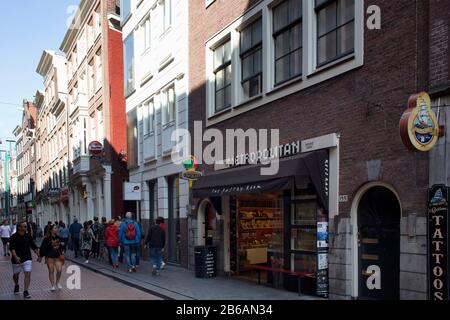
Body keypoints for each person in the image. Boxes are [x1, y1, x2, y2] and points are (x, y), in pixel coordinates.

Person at [9, 220, 40, 299]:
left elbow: (33, 246)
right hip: (16, 259)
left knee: (28, 273)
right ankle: (16, 284)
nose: (27, 228)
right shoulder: (13, 237)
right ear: (19, 227)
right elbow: (12, 248)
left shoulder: (28, 236)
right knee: (16, 275)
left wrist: (38, 255)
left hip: (27, 258)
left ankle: (26, 291)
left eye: (26, 226)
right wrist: (16, 257)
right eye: (25, 226)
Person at [39, 224, 65, 291]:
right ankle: (52, 285)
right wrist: (41, 256)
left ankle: (57, 282)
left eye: (56, 228)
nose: (56, 229)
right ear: (51, 230)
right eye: (55, 228)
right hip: (49, 256)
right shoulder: (46, 238)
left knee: (59, 270)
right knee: (51, 270)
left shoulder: (58, 237)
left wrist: (62, 245)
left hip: (57, 256)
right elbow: (42, 248)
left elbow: (63, 246)